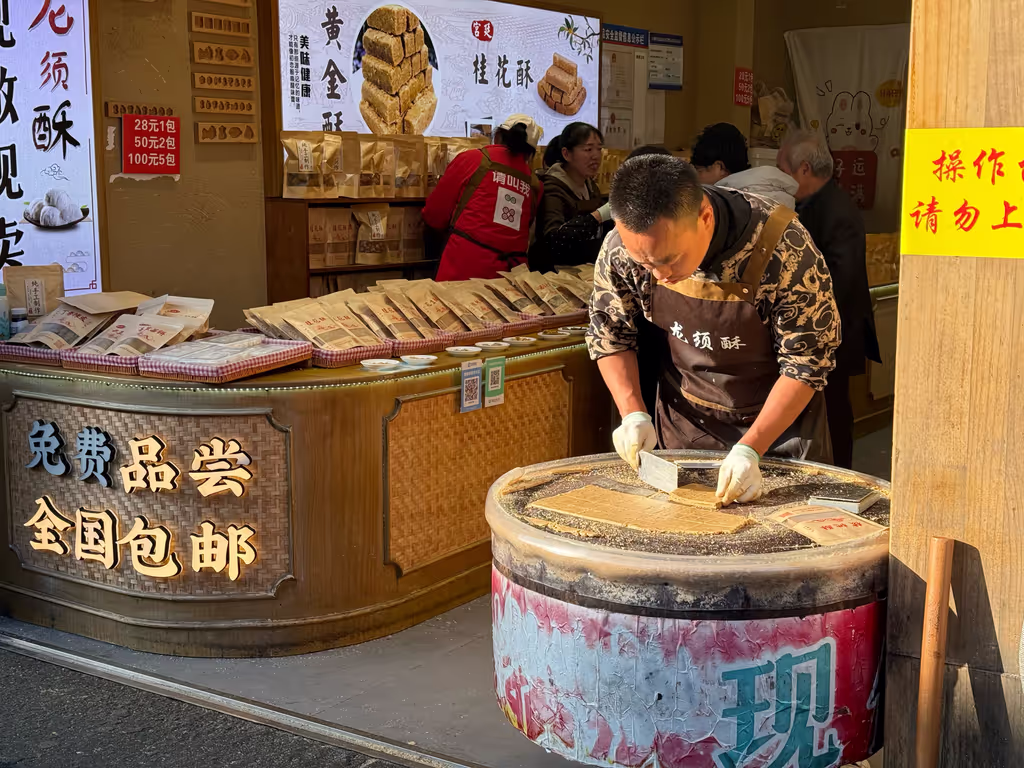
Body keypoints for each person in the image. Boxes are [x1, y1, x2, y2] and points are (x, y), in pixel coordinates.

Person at [588, 155, 840, 505]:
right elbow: (610, 333)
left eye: (669, 259)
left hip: (780, 428)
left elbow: (807, 362)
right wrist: (632, 412)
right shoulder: (622, 247)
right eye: (645, 263)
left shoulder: (784, 247)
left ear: (704, 218)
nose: (658, 275)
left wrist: (751, 449)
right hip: (685, 421)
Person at [778, 130, 881, 469]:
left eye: (782, 167)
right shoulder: (813, 204)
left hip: (834, 330)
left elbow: (842, 280)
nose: (779, 176)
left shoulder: (836, 210)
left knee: (834, 411)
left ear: (804, 169)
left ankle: (841, 478)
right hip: (821, 330)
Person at [424, 114, 543, 281]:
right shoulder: (535, 184)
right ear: (531, 153)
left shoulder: (472, 160)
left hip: (463, 271)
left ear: (497, 136)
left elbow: (434, 215)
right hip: (512, 279)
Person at [530, 123, 608, 272]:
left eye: (599, 148)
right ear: (566, 154)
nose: (596, 156)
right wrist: (598, 216)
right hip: (557, 275)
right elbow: (554, 239)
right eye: (588, 149)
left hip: (585, 271)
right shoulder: (552, 188)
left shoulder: (591, 187)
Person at [690, 122, 799, 209]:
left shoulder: (733, 205)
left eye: (699, 170)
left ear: (720, 168)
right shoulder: (769, 191)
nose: (696, 179)